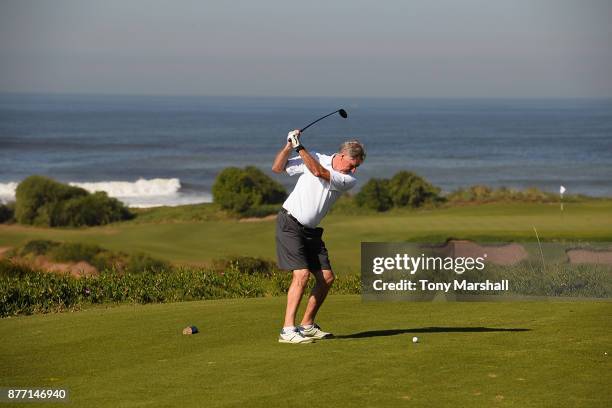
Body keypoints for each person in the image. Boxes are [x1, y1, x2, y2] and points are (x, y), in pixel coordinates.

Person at [271, 129, 366, 344]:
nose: (354, 169)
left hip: (311, 231)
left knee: (327, 278)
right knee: (302, 274)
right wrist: (289, 146)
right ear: (342, 156)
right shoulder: (315, 157)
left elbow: (319, 172)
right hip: (290, 223)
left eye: (357, 166)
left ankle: (307, 324)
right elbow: (277, 168)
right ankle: (287, 330)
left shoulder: (347, 179)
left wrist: (300, 147)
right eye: (352, 164)